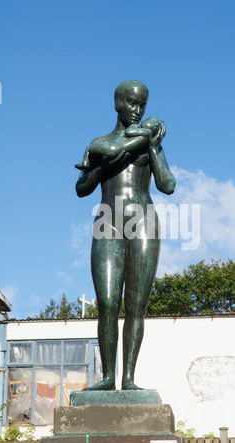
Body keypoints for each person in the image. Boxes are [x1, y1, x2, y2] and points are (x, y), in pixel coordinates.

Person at [75, 80, 176, 390]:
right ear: (118, 103)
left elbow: (167, 184)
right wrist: (104, 165)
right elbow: (82, 188)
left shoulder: (150, 142)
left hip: (143, 219)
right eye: (132, 103)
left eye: (142, 105)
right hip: (108, 220)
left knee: (135, 305)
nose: (137, 110)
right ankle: (107, 377)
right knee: (107, 302)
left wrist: (152, 147)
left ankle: (128, 379)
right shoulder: (99, 142)